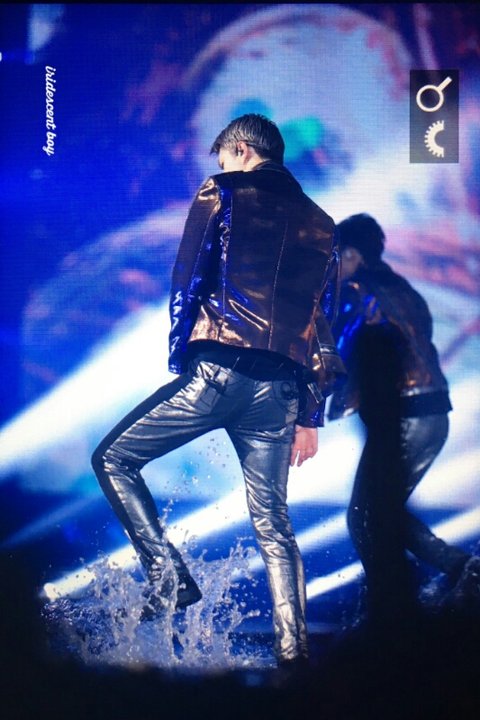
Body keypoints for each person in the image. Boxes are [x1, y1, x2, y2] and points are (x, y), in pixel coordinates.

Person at [92, 114, 345, 668]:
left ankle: (169, 576)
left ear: (242, 149)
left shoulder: (223, 192)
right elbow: (321, 328)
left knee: (112, 459)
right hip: (280, 392)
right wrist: (310, 415)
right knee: (274, 525)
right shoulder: (323, 224)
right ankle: (294, 655)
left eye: (225, 156)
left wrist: (182, 357)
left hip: (217, 373)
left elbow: (188, 279)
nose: (222, 165)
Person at [328, 213, 480, 628]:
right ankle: (438, 578)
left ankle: (400, 602)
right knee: (374, 512)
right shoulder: (402, 287)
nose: (333, 266)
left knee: (367, 515)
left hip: (409, 412)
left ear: (353, 254)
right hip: (431, 411)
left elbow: (341, 353)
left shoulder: (358, 291)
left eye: (336, 256)